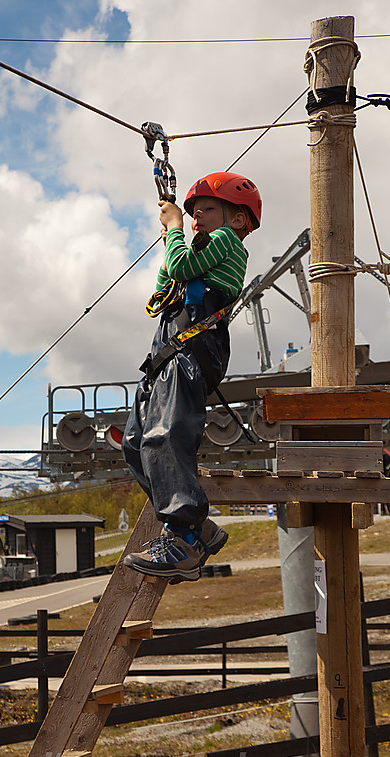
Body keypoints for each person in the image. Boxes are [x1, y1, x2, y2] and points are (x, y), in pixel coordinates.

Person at [122, 171, 261, 583]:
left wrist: (175, 229)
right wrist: (173, 236)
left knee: (166, 435)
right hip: (169, 348)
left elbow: (180, 266)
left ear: (237, 220)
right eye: (193, 212)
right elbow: (168, 281)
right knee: (135, 443)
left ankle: (183, 539)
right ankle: (199, 528)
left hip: (193, 348)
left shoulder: (226, 243)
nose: (196, 216)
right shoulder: (203, 247)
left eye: (207, 210)